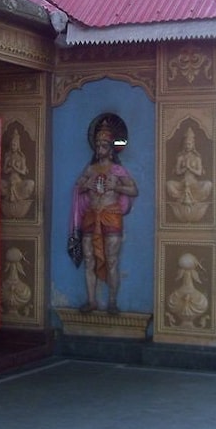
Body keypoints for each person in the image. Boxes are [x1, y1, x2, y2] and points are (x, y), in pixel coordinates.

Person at [70, 119, 138, 314]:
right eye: (98, 145)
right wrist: (87, 185)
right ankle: (91, 301)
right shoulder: (90, 169)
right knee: (89, 259)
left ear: (111, 149)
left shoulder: (117, 170)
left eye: (104, 145)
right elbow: (78, 187)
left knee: (112, 259)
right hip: (91, 216)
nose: (100, 148)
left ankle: (112, 302)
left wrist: (115, 186)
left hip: (111, 216)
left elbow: (134, 190)